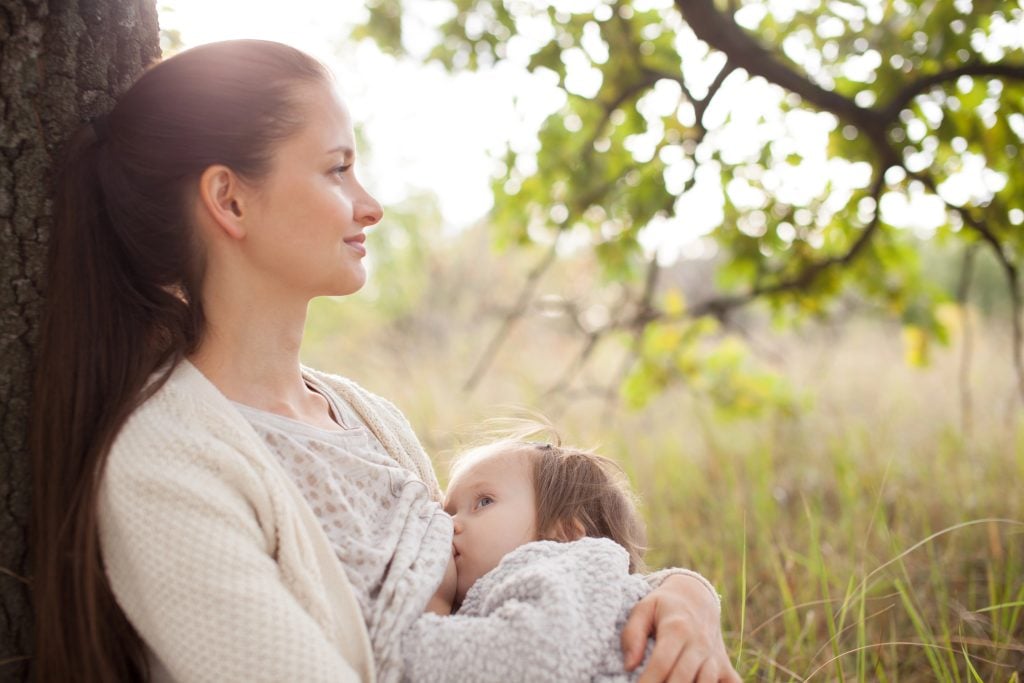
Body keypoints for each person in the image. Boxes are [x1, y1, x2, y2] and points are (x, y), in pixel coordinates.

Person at [29, 39, 740, 683]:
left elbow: (502, 592)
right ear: (230, 199)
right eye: (338, 170)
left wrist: (681, 594)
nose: (369, 206)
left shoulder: (368, 418)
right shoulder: (165, 463)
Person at [395, 437, 722, 683]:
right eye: (449, 511)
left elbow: (531, 656)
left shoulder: (566, 565)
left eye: (483, 501)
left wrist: (414, 631)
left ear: (564, 531)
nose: (450, 524)